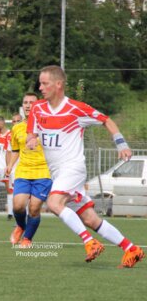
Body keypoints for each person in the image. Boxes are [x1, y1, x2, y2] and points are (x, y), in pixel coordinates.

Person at [26, 65, 144, 268]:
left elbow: (107, 120)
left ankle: (89, 243)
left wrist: (121, 145)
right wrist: (31, 140)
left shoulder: (76, 108)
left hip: (73, 168)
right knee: (90, 219)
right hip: (58, 173)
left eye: (45, 83)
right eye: (40, 83)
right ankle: (131, 249)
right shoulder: (37, 109)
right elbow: (31, 133)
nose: (41, 87)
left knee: (54, 204)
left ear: (58, 84)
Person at [6, 93, 52, 247]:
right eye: (25, 102)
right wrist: (10, 165)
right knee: (18, 206)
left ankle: (27, 239)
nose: (27, 105)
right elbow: (15, 150)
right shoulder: (17, 128)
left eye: (31, 102)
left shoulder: (48, 126)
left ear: (38, 105)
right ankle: (21, 225)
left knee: (34, 208)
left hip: (43, 172)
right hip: (23, 171)